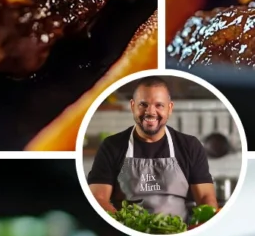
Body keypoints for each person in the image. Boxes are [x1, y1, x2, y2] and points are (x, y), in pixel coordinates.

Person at [87, 77, 218, 223]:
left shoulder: (190, 145)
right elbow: (98, 198)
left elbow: (206, 197)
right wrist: (124, 224)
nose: (150, 112)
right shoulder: (112, 146)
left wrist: (203, 223)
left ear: (170, 108)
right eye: (143, 104)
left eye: (159, 105)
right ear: (132, 106)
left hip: (178, 231)